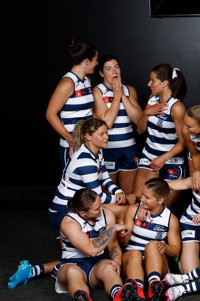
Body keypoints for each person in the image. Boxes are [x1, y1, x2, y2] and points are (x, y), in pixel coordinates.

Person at [9, 118, 127, 290]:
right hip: (65, 209)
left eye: (106, 133)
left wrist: (118, 192)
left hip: (76, 206)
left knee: (75, 257)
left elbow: (105, 179)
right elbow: (99, 195)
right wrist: (125, 198)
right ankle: (128, 257)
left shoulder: (97, 152)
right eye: (102, 134)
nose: (107, 137)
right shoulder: (85, 161)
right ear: (88, 136)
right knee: (78, 255)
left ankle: (32, 270)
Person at [51, 188, 128, 301]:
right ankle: (84, 300)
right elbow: (91, 250)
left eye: (100, 204)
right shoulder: (69, 222)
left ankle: (119, 295)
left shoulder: (107, 214)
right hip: (72, 264)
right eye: (97, 208)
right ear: (83, 213)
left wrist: (117, 261)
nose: (102, 209)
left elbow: (113, 245)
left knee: (109, 267)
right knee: (72, 272)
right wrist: (112, 229)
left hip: (96, 264)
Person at [133, 63, 187, 211]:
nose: (148, 84)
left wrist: (164, 158)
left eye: (152, 81)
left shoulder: (177, 108)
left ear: (164, 84)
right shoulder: (152, 99)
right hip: (150, 156)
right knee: (139, 202)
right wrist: (146, 113)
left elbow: (183, 143)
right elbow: (140, 130)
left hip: (171, 161)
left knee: (163, 211)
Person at [119, 178, 181, 301]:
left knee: (153, 244)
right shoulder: (133, 210)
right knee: (134, 253)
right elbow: (124, 242)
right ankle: (138, 290)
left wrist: (164, 246)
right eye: (142, 194)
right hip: (132, 259)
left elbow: (175, 251)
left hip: (155, 263)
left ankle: (154, 285)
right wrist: (122, 234)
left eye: (147, 197)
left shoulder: (170, 220)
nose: (141, 199)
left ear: (160, 200)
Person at [92, 55, 144, 197]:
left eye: (116, 67)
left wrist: (122, 95)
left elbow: (139, 120)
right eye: (109, 68)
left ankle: (126, 219)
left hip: (129, 149)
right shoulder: (98, 91)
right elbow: (107, 122)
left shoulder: (130, 90)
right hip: (109, 150)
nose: (114, 71)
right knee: (109, 194)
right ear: (102, 73)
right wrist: (116, 97)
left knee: (129, 194)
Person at [45, 37, 98, 168]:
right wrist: (71, 139)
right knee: (74, 187)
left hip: (89, 144)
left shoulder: (87, 81)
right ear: (86, 62)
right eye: (95, 60)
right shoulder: (67, 83)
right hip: (73, 147)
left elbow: (87, 111)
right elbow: (50, 114)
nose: (97, 63)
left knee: (89, 187)